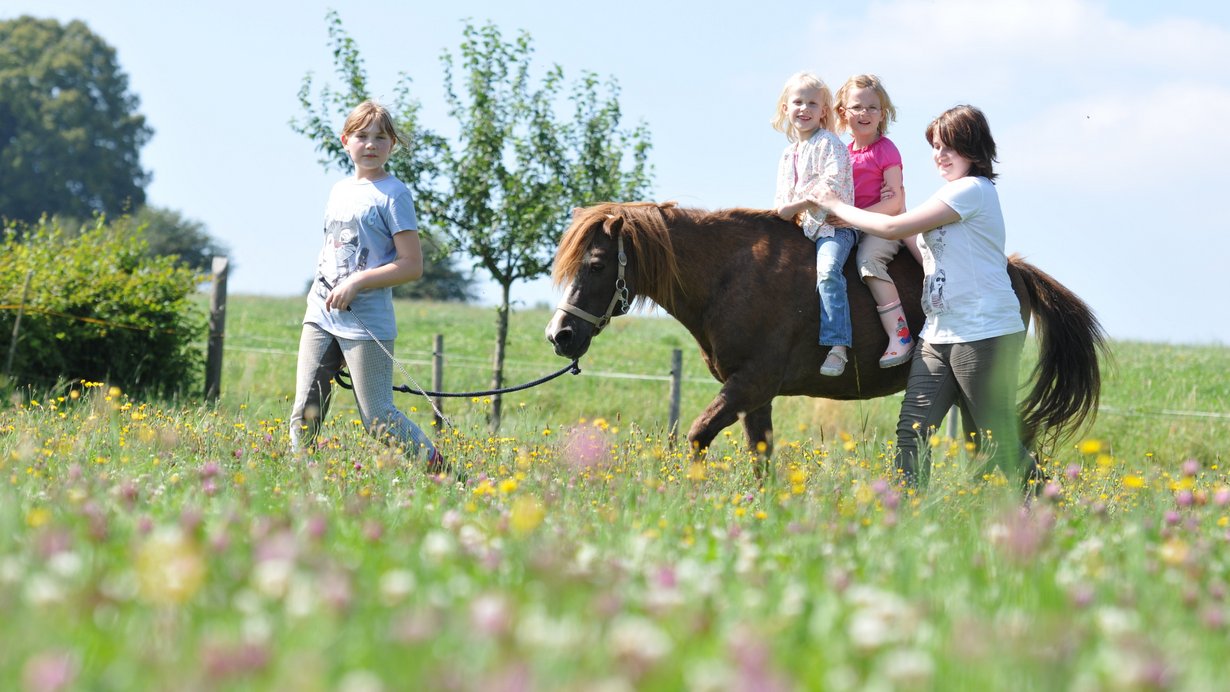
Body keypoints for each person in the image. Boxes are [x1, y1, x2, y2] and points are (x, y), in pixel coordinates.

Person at [816, 105, 1031, 487]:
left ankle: (1049, 506)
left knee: (997, 440)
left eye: (951, 147)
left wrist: (838, 208)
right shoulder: (949, 195)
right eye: (935, 146)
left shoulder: (973, 190)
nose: (940, 155)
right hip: (938, 333)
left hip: (983, 332)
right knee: (911, 431)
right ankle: (906, 515)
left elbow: (893, 225)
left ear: (976, 149)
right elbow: (913, 242)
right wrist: (887, 204)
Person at [289, 100, 443, 471]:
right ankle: (300, 483)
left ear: (393, 145)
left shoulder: (394, 194)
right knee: (304, 412)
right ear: (346, 141)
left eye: (380, 137)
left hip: (366, 322)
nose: (370, 144)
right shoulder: (339, 190)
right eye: (362, 136)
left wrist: (357, 282)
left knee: (377, 419)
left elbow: (411, 265)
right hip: (321, 314)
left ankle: (442, 471)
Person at [772, 72, 857, 377]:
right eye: (797, 102)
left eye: (812, 103)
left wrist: (797, 206)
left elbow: (830, 184)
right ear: (785, 108)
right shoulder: (787, 154)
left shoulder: (829, 143)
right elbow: (781, 201)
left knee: (827, 271)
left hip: (833, 228)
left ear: (824, 111)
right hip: (802, 230)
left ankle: (838, 345)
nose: (804, 109)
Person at [833, 74, 915, 368]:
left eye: (872, 107)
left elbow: (894, 202)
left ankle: (900, 335)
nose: (864, 113)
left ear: (883, 114)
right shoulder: (841, 153)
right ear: (843, 112)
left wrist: (856, 218)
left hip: (884, 225)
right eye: (857, 107)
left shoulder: (886, 150)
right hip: (854, 227)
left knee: (869, 263)